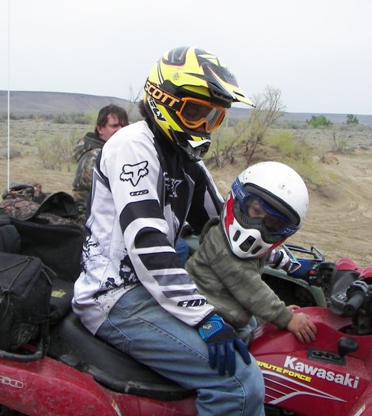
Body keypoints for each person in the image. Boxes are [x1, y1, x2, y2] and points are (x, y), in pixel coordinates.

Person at [73, 46, 265, 415]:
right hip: (116, 296)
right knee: (239, 383)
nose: (203, 126)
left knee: (251, 328)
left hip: (150, 290)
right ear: (163, 99)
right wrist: (204, 317)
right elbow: (146, 240)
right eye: (195, 112)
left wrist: (291, 261)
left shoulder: (182, 156)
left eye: (212, 116)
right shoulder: (132, 145)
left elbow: (226, 225)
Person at [186, 161, 318, 345]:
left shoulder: (245, 245)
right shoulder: (220, 241)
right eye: (256, 210)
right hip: (206, 317)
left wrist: (289, 266)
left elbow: (258, 267)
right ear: (239, 199)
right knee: (247, 372)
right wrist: (286, 317)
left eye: (272, 222)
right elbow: (250, 287)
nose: (258, 227)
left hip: (229, 313)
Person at [72, 104, 128, 222]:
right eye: (114, 126)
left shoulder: (109, 152)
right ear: (100, 129)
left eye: (124, 126)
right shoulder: (96, 157)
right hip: (91, 224)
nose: (120, 130)